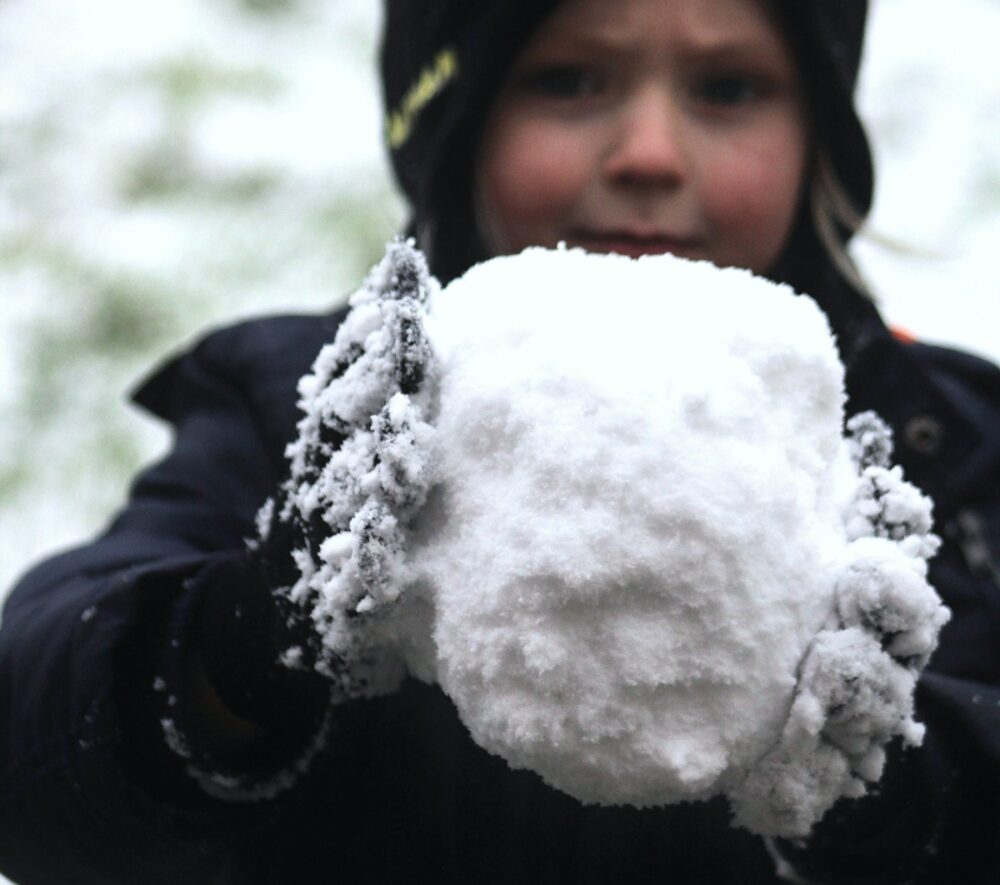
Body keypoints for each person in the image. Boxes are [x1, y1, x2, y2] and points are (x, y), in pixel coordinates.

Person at [1, 0, 997, 882]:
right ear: (454, 119)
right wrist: (240, 647)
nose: (649, 151)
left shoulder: (947, 450)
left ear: (816, 136)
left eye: (728, 88)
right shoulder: (309, 417)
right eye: (566, 81)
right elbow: (32, 758)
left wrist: (901, 788)